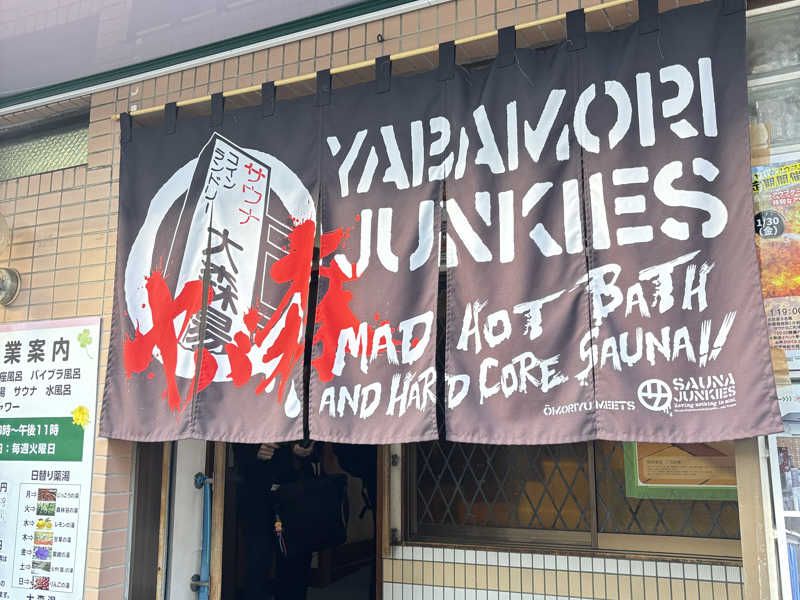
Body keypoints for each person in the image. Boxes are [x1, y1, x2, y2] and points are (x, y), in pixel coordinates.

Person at [233, 441, 317, 600]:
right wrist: (251, 450)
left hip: (295, 484)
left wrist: (306, 448)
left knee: (296, 562)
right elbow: (232, 432)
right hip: (255, 485)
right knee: (257, 560)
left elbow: (319, 435)